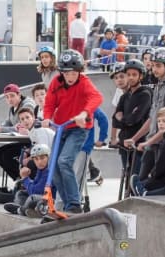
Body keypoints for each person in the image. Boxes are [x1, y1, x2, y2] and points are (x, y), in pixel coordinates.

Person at [42, 49, 102, 214]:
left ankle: (75, 204)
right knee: (53, 167)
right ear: (62, 72)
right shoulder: (56, 82)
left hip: (79, 129)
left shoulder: (84, 82)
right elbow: (49, 103)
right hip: (61, 128)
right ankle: (68, 204)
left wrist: (84, 113)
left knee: (64, 162)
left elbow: (97, 97)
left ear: (79, 72)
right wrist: (47, 118)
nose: (70, 77)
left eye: (74, 73)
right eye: (67, 73)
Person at [126, 47, 165, 180]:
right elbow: (152, 117)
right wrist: (135, 138)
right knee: (140, 182)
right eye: (153, 65)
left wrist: (149, 142)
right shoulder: (159, 86)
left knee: (153, 183)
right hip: (153, 143)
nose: (154, 69)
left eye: (158, 66)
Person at [112, 59, 152, 175]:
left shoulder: (145, 94)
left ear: (141, 76)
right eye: (128, 75)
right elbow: (115, 120)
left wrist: (123, 118)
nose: (130, 78)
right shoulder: (125, 96)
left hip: (138, 143)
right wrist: (125, 118)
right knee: (127, 175)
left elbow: (134, 120)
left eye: (134, 75)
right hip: (124, 142)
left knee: (136, 176)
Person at [130, 107, 165, 196]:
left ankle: (144, 194)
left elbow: (163, 164)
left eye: (164, 121)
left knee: (142, 184)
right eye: (159, 121)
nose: (161, 124)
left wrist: (153, 174)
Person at [0, 84, 35, 180]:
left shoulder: (27, 105)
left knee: (7, 155)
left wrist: (1, 129)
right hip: (21, 141)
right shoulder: (13, 107)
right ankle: (18, 179)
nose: (9, 99)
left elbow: (21, 126)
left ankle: (24, 179)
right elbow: (9, 122)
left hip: (31, 142)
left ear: (19, 94)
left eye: (12, 96)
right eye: (7, 97)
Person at [3, 144, 51, 218]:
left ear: (48, 157)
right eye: (36, 159)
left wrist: (25, 178)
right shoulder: (41, 169)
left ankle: (20, 210)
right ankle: (28, 210)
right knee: (21, 193)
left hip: (50, 201)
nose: (39, 162)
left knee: (32, 198)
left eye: (42, 158)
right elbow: (34, 185)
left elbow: (36, 191)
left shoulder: (49, 171)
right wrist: (26, 180)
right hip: (40, 198)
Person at [16, 107, 55, 178]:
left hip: (52, 156)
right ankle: (25, 182)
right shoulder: (30, 130)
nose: (25, 121)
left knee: (30, 163)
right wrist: (27, 151)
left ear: (33, 117)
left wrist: (28, 159)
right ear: (20, 122)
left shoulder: (39, 130)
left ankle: (34, 184)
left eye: (27, 117)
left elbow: (43, 150)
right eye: (22, 119)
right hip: (46, 154)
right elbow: (36, 145)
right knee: (21, 158)